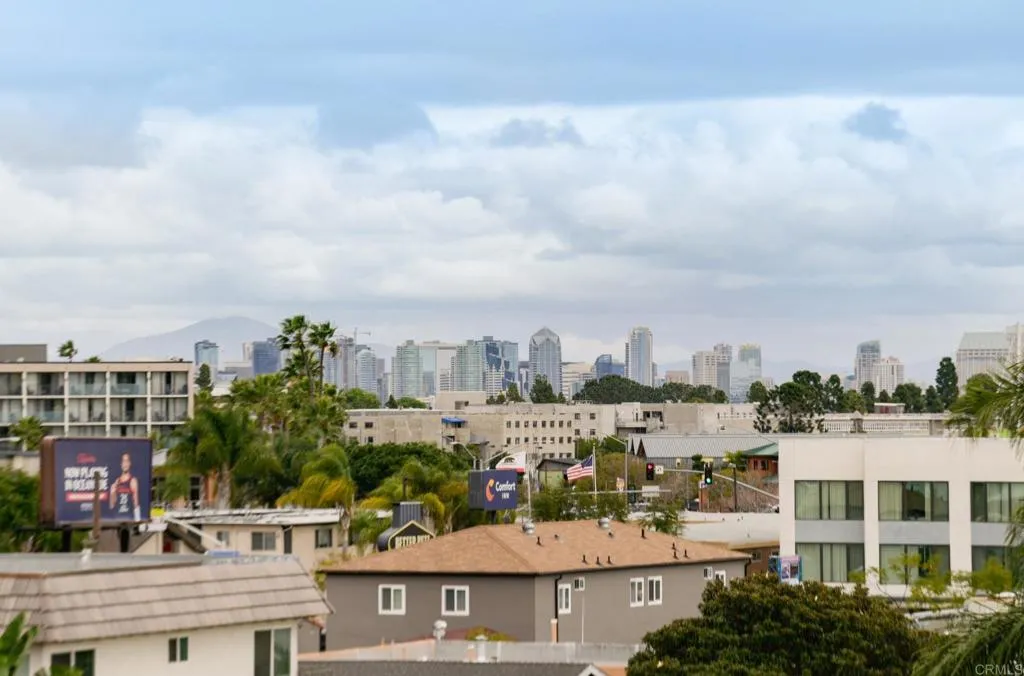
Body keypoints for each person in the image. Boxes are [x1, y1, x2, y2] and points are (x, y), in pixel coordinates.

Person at [109, 452, 141, 520]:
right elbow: (112, 505)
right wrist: (112, 493)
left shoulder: (133, 480)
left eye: (127, 461)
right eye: (123, 461)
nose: (125, 464)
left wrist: (137, 519)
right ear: (121, 464)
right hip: (117, 518)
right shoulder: (117, 481)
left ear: (130, 463)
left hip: (128, 518)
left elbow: (136, 502)